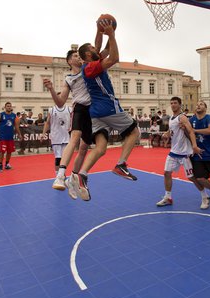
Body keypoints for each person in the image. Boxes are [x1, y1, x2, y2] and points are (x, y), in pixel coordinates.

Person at [69, 17, 140, 201]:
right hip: (108, 108)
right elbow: (114, 57)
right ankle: (121, 164)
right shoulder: (91, 67)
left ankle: (82, 175)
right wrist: (111, 35)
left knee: (100, 148)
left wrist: (106, 32)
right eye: (93, 50)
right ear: (87, 56)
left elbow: (103, 47)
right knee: (134, 132)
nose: (96, 49)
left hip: (96, 113)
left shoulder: (91, 63)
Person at [43, 49, 92, 195]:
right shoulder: (68, 79)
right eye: (76, 56)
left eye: (79, 55)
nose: (79, 57)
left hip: (94, 110)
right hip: (79, 108)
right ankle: (60, 175)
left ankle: (73, 178)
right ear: (70, 61)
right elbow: (60, 103)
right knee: (75, 138)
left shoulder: (88, 69)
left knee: (84, 148)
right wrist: (52, 89)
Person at [155, 97, 204, 208]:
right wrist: (166, 134)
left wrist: (195, 146)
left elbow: (191, 131)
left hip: (184, 153)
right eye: (171, 103)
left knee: (191, 177)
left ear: (180, 104)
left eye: (175, 103)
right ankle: (168, 197)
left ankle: (205, 196)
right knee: (167, 173)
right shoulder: (172, 118)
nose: (173, 105)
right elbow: (172, 130)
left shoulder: (182, 117)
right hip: (174, 152)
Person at [0, 102, 22, 172]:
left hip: (10, 136)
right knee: (2, 151)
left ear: (11, 108)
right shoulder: (1, 115)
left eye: (10, 106)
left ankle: (7, 164)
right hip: (3, 136)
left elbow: (17, 127)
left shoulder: (14, 116)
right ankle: (0, 164)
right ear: (5, 107)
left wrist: (19, 134)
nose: (9, 107)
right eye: (7, 106)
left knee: (9, 151)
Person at [43, 103, 72, 178]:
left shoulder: (69, 109)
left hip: (66, 137)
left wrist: (72, 128)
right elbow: (47, 123)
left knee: (65, 158)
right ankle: (57, 176)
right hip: (56, 137)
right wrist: (43, 133)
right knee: (58, 158)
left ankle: (61, 173)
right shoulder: (52, 110)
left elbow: (73, 120)